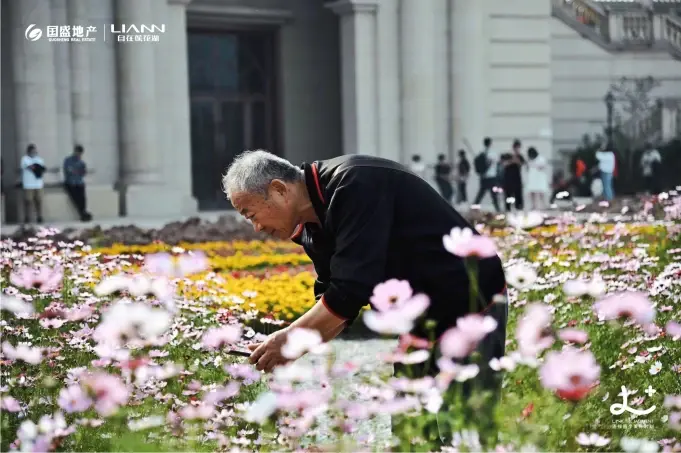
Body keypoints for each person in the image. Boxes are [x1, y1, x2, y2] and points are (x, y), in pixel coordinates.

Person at [222, 150, 507, 372]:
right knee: (412, 424)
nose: (256, 227)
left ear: (279, 190)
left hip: (468, 298)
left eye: (250, 214)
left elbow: (349, 291)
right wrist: (288, 346)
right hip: (419, 314)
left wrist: (289, 339)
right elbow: (334, 298)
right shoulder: (310, 224)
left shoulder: (354, 183)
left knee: (464, 424)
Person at [63, 145, 92, 221]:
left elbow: (83, 173)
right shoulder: (68, 160)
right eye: (78, 153)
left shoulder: (81, 162)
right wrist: (77, 171)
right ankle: (83, 214)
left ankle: (84, 213)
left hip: (79, 182)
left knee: (83, 198)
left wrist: (79, 172)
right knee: (76, 198)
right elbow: (69, 171)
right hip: (70, 183)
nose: (79, 155)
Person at [20, 144, 46, 224]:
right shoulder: (25, 159)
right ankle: (27, 217)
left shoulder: (40, 159)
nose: (34, 152)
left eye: (35, 151)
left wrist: (36, 167)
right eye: (32, 151)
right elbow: (30, 167)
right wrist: (36, 167)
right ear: (29, 151)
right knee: (28, 200)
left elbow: (42, 168)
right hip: (28, 184)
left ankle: (39, 216)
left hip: (38, 184)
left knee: (38, 201)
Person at [473, 137, 500, 212]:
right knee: (494, 195)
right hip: (492, 177)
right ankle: (498, 210)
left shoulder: (481, 152)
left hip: (483, 177)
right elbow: (497, 163)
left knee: (480, 194)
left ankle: (474, 208)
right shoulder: (493, 153)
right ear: (490, 143)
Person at [501, 139, 526, 211]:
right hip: (508, 178)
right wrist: (512, 161)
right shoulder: (507, 155)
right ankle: (508, 208)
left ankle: (519, 207)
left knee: (518, 194)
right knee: (508, 194)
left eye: (519, 148)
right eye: (516, 147)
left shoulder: (520, 156)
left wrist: (517, 160)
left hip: (517, 178)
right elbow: (503, 164)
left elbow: (522, 164)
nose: (517, 149)